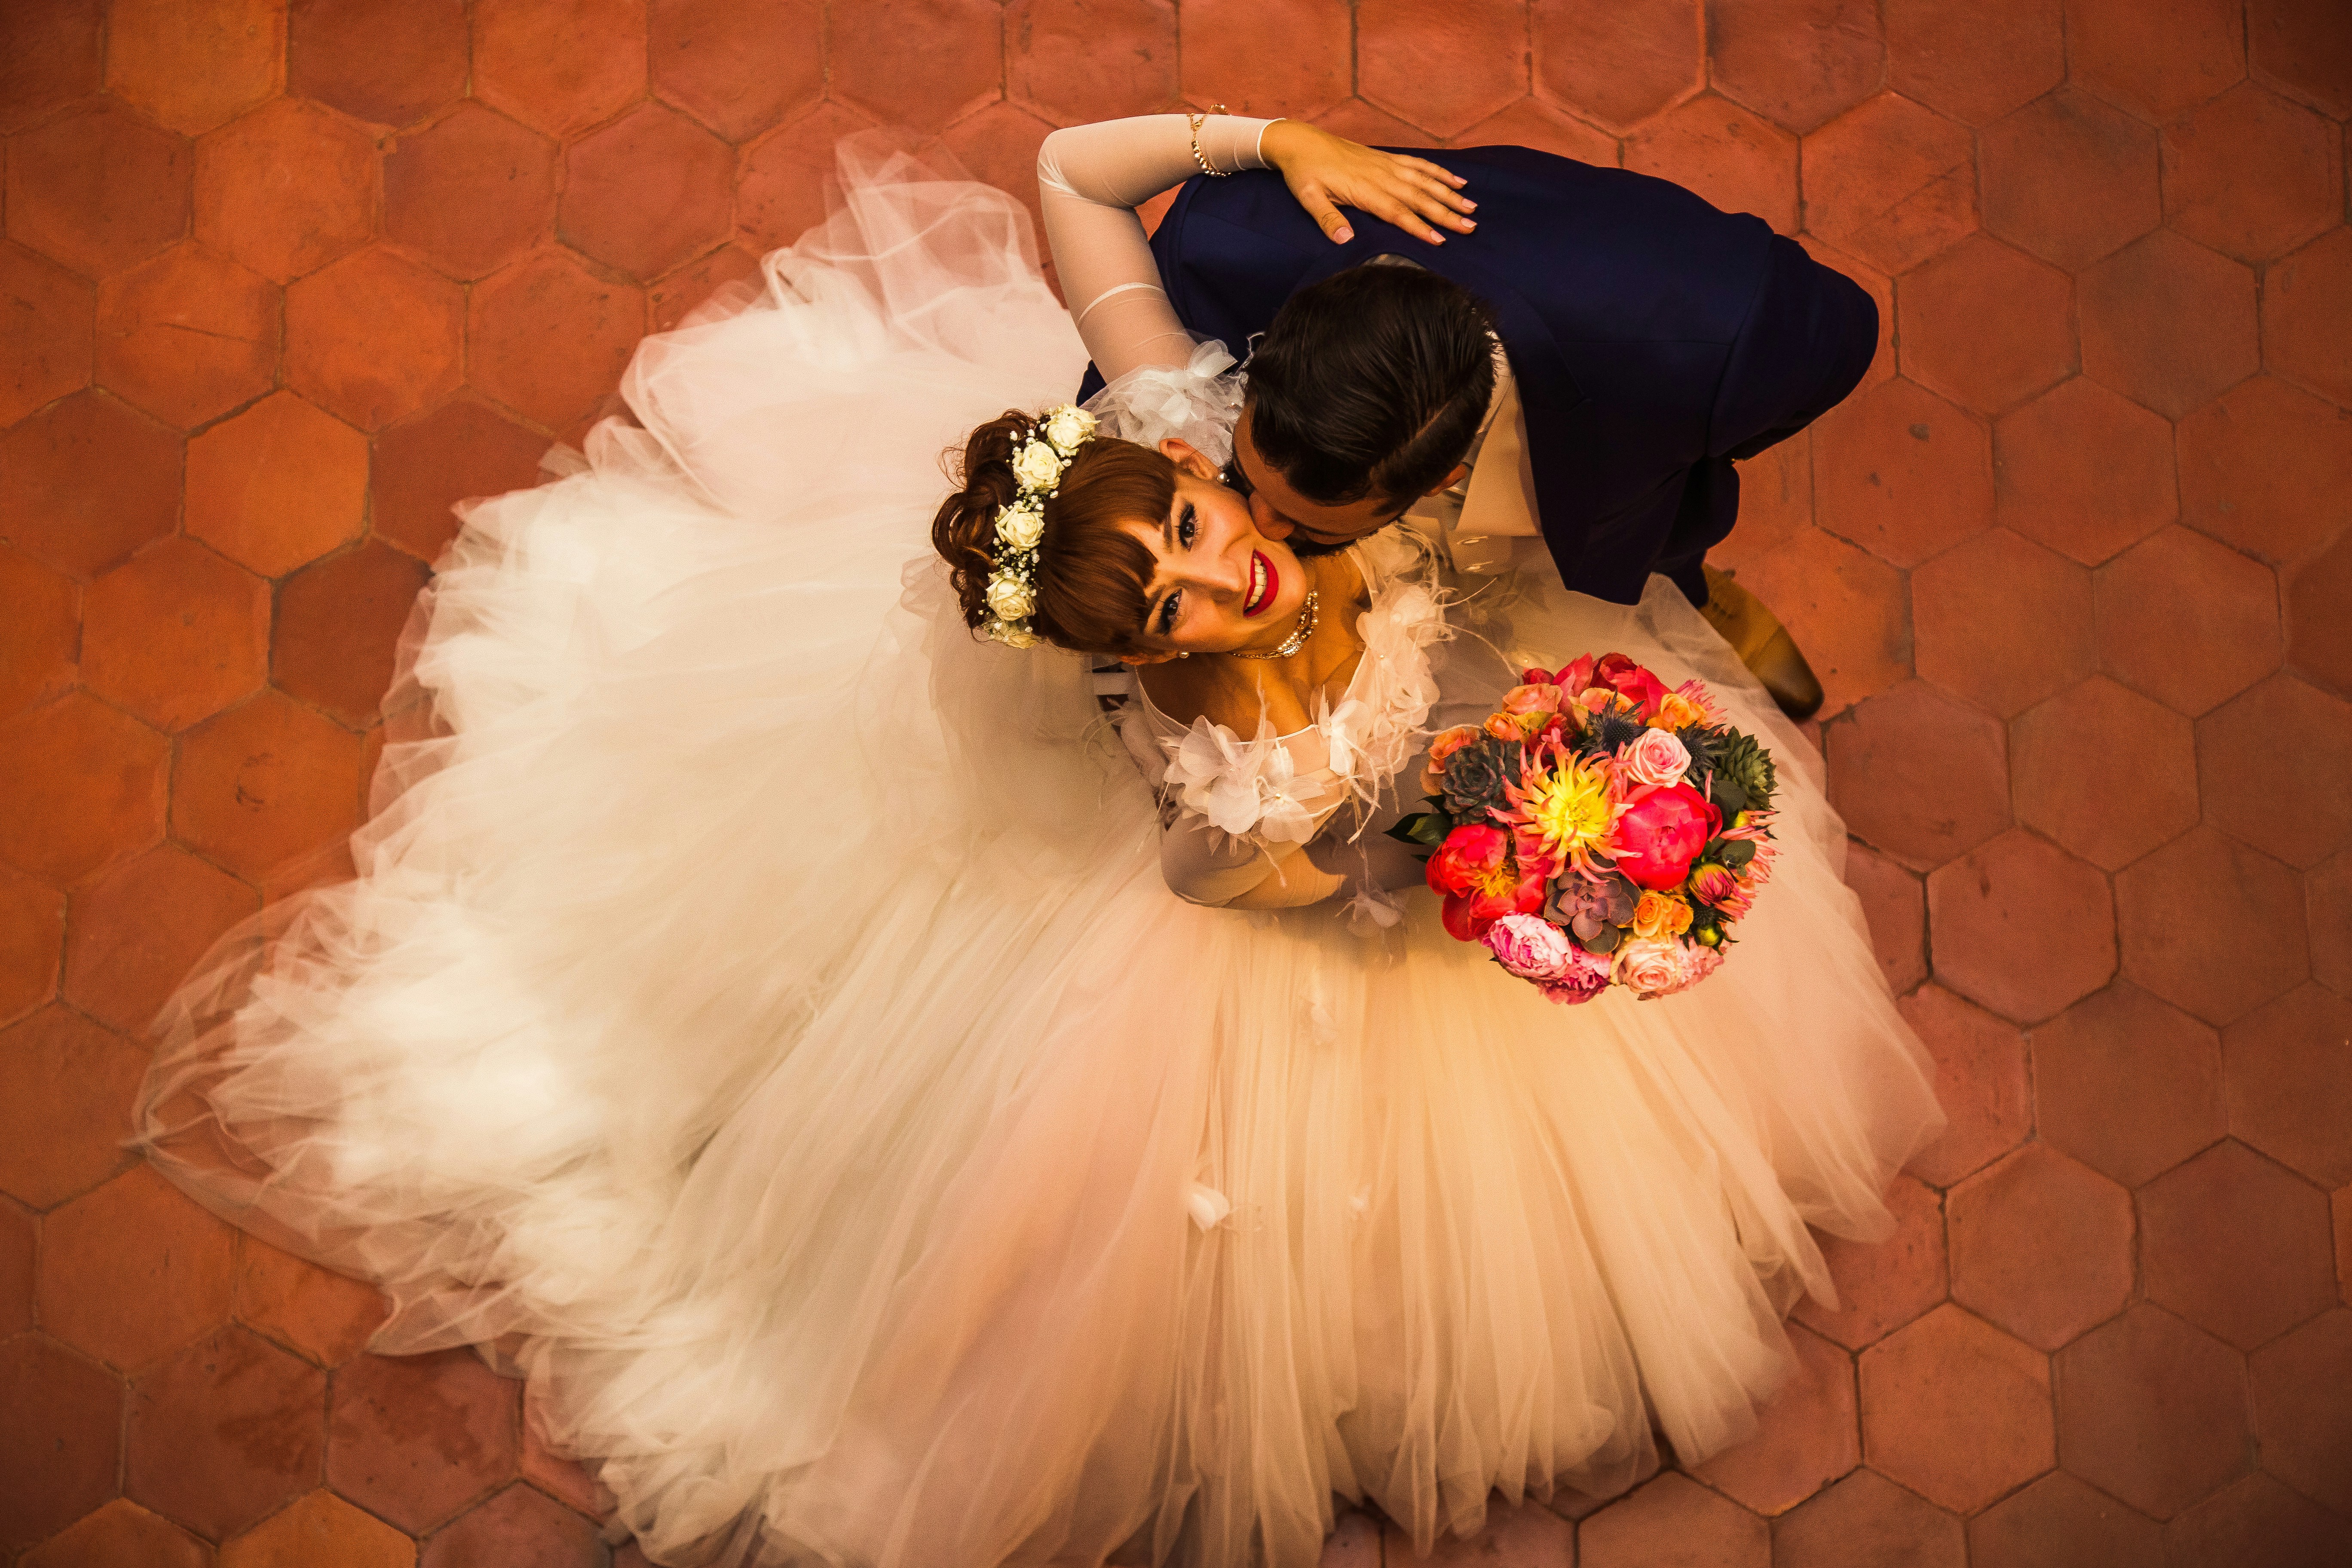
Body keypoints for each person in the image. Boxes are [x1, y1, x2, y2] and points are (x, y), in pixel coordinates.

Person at [136, 139, 1938, 1568]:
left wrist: (1273, 138)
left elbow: (1076, 177)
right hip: (1354, 876)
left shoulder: (1192, 426)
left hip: (1446, 708)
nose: (1228, 565)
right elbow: (1256, 885)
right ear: (1143, 662)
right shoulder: (1212, 766)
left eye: (1193, 526)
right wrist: (1449, 862)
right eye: (1172, 601)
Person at [1043, 113, 1874, 721]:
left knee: (1653, 538)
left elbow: (1844, 332)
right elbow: (1072, 171)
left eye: (1305, 521)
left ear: (1444, 478)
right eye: (1251, 481)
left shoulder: (1727, 328)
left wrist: (1684, 448)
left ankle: (1696, 595)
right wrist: (1275, 140)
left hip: (1621, 384)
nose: (1257, 528)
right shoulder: (1234, 247)